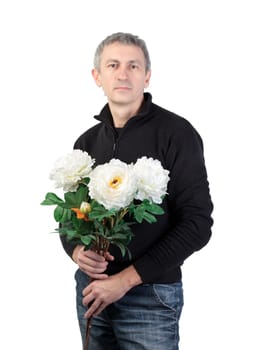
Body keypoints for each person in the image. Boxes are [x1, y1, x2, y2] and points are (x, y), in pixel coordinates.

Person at [60, 32, 213, 350]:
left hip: (150, 295)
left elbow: (197, 224)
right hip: (92, 292)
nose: (123, 73)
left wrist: (126, 279)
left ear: (147, 75)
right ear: (97, 76)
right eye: (113, 65)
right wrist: (76, 250)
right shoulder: (86, 143)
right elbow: (72, 216)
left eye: (133, 66)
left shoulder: (177, 134)